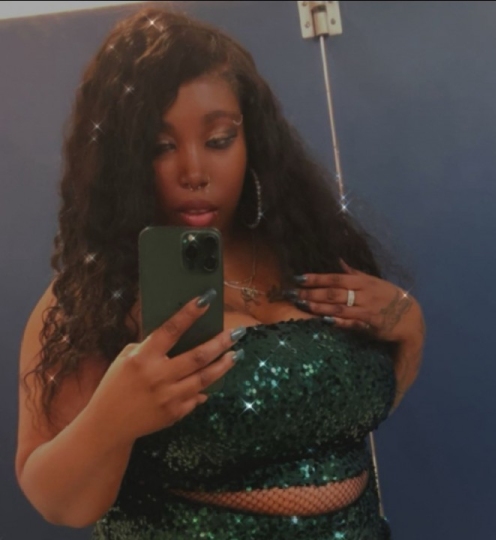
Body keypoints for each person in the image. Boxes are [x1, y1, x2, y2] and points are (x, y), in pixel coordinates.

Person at [15, 6, 425, 539]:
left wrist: (408, 326)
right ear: (123, 161)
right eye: (161, 146)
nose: (194, 171)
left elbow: (363, 411)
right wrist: (111, 420)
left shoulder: (313, 253)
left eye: (218, 139)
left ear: (252, 142)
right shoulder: (93, 299)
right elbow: (57, 502)